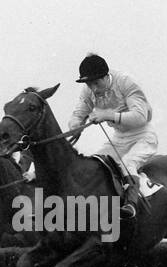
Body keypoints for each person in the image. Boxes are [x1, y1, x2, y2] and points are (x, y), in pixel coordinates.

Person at [67, 53, 157, 219]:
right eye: (88, 83)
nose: (93, 88)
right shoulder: (88, 91)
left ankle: (131, 205)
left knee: (128, 163)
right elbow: (77, 115)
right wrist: (76, 126)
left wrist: (109, 115)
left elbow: (140, 117)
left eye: (96, 82)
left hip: (143, 135)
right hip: (119, 138)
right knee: (96, 163)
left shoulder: (126, 82)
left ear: (106, 76)